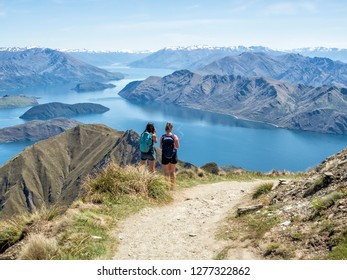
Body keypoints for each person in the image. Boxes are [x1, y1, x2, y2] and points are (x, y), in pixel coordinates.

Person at [160, 122, 180, 189]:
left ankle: (166, 187)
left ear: (165, 129)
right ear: (171, 128)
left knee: (166, 172)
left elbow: (160, 147)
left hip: (165, 155)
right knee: (172, 172)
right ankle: (172, 187)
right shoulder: (174, 136)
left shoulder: (162, 137)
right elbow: (177, 146)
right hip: (173, 155)